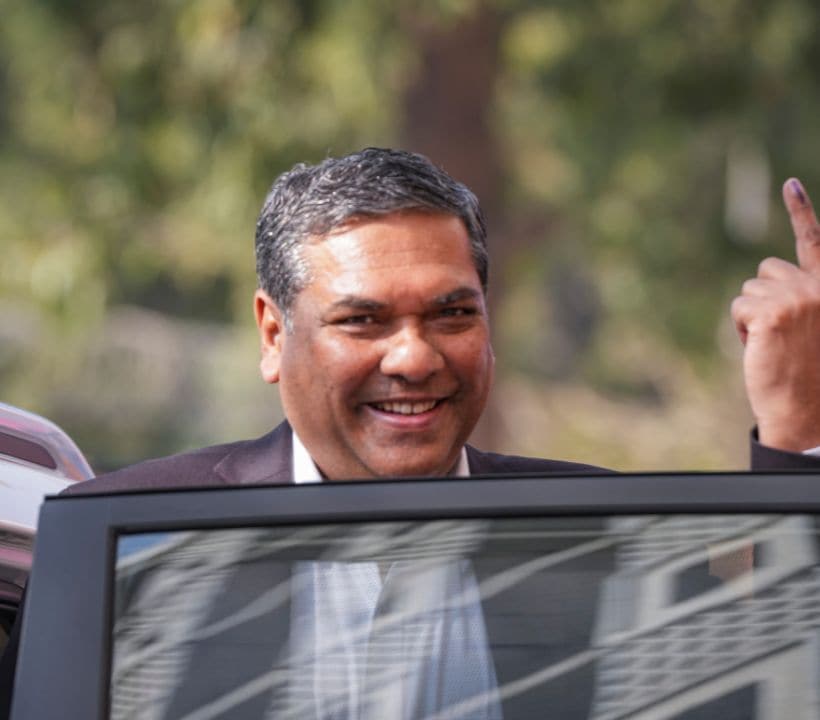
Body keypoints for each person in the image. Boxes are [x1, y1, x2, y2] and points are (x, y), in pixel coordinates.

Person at [3, 148, 820, 718]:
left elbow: (770, 682)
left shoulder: (595, 539)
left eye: (452, 313)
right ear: (271, 334)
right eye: (361, 320)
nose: (415, 357)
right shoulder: (126, 544)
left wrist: (797, 427)